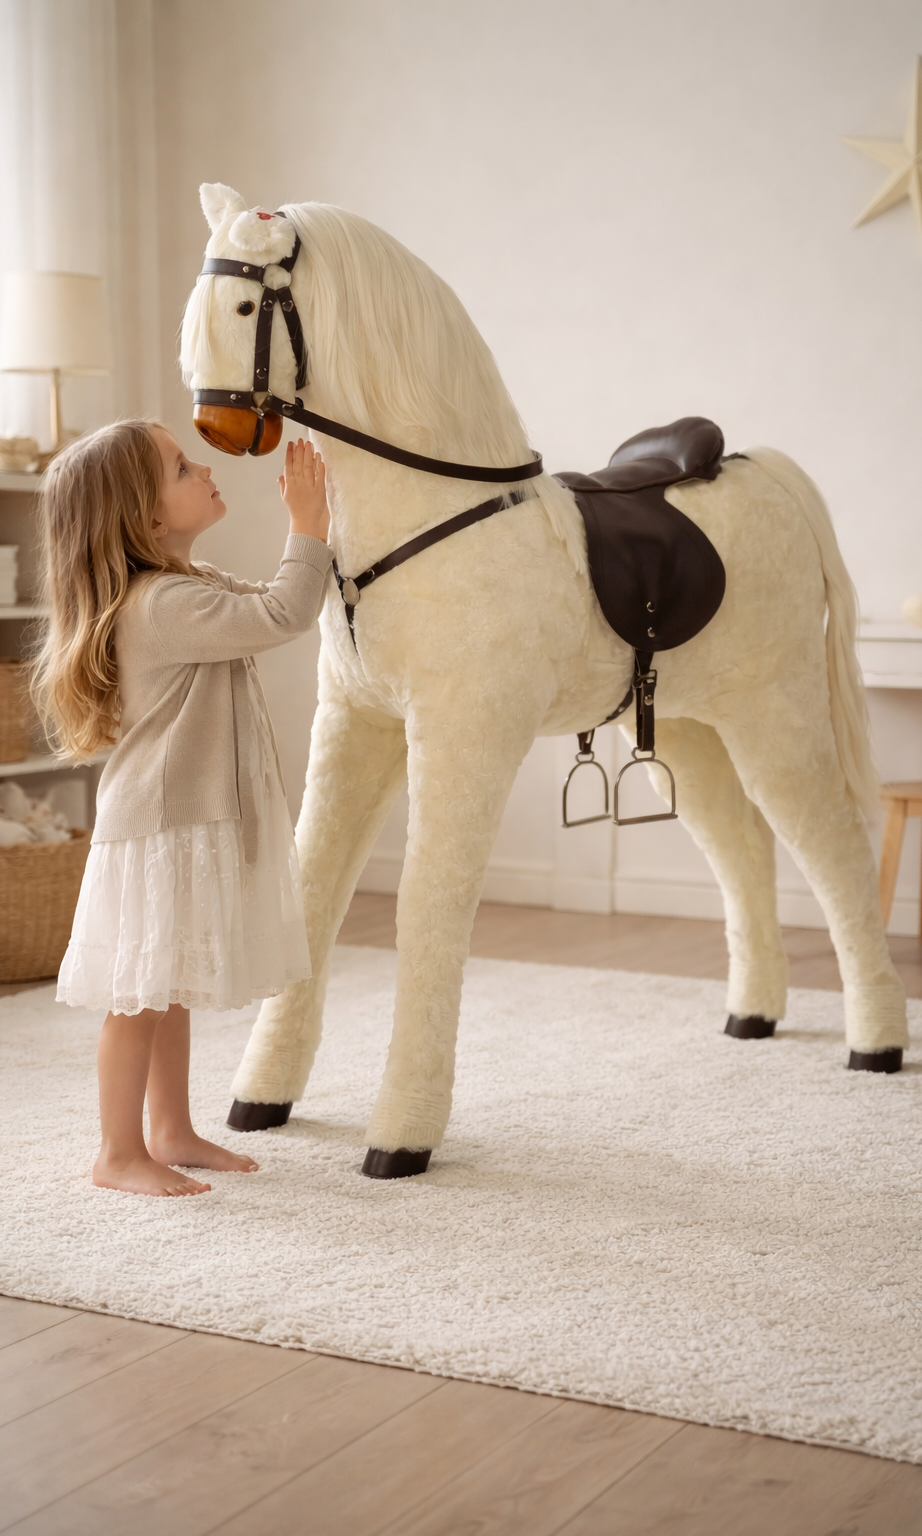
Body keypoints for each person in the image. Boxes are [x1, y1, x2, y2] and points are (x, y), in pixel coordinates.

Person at [32, 420, 331, 1196]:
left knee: (167, 985)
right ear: (148, 517)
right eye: (181, 466)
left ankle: (169, 1130)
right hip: (162, 826)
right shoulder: (162, 603)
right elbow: (283, 615)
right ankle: (117, 1153)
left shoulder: (184, 586)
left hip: (181, 821)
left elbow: (266, 600)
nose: (205, 469)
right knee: (140, 997)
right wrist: (307, 525)